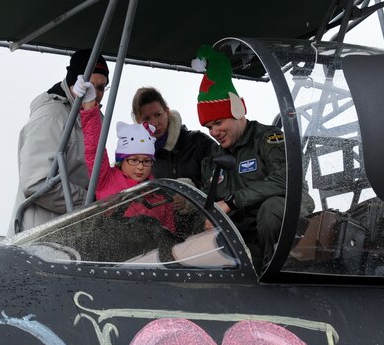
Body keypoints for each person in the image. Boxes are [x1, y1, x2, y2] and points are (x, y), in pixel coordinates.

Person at [193, 45, 314, 271]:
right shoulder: (213, 162)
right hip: (243, 237)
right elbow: (209, 203)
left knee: (271, 210)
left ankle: (277, 272)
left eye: (219, 123)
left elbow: (288, 179)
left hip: (284, 219)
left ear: (238, 111)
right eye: (209, 127)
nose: (214, 132)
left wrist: (233, 201)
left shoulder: (269, 139)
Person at [11, 49, 110, 235]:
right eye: (90, 85)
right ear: (75, 82)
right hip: (39, 238)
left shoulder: (95, 119)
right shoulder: (52, 116)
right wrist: (91, 202)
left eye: (101, 87)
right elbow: (35, 182)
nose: (95, 94)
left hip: (68, 234)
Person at [73, 78, 174, 230]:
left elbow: (170, 235)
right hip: (112, 251)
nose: (140, 167)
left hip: (150, 252)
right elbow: (94, 147)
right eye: (134, 160)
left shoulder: (158, 195)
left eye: (146, 161)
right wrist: (89, 105)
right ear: (121, 160)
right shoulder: (106, 179)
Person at [131, 87, 218, 190]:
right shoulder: (135, 160)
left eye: (158, 115)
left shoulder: (199, 142)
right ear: (138, 122)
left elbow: (222, 183)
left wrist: (190, 190)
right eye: (147, 118)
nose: (155, 123)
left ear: (167, 111)